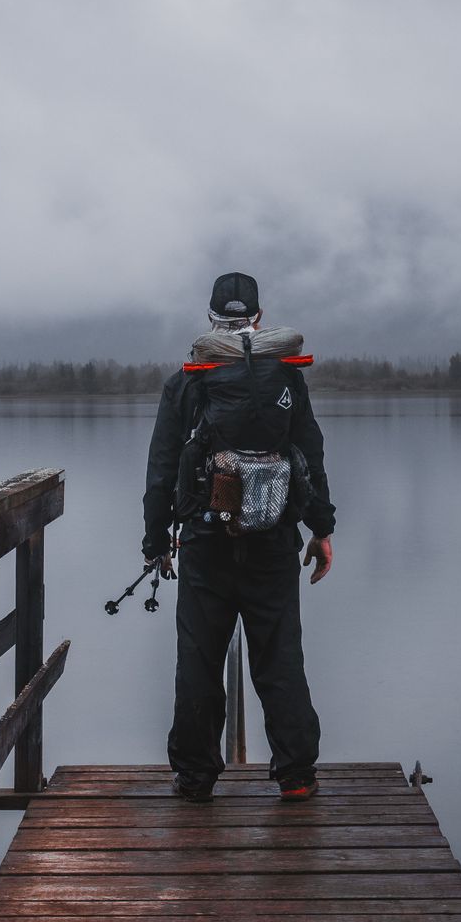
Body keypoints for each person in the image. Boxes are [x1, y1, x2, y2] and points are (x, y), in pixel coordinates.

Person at [142, 271, 336, 802]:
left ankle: (195, 777)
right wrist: (321, 529)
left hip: (206, 544)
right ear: (258, 318)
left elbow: (161, 468)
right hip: (274, 542)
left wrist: (156, 541)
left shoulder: (188, 380)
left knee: (199, 661)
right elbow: (310, 459)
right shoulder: (287, 378)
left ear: (211, 319)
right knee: (279, 658)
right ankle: (296, 775)